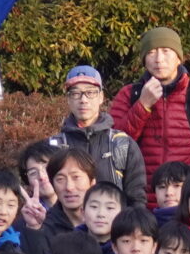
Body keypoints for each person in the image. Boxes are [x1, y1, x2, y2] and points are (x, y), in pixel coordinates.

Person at [110, 28, 190, 185]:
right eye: (151, 52)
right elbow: (113, 146)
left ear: (178, 58)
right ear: (144, 60)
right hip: (141, 194)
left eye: (166, 51)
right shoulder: (129, 94)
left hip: (189, 194)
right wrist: (143, 105)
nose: (159, 59)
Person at [45, 66, 147, 206]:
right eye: (76, 93)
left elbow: (137, 199)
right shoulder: (53, 146)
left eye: (90, 92)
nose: (83, 99)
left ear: (101, 97)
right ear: (68, 99)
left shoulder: (122, 144)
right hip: (66, 220)